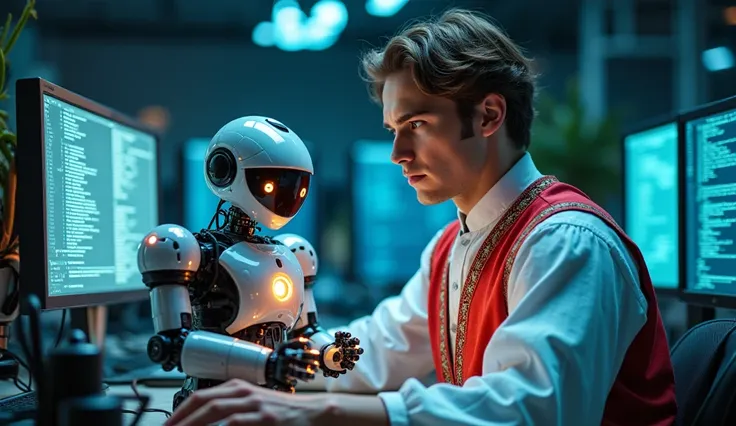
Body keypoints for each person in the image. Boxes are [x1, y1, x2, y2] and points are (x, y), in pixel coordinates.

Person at [164, 8, 677, 426]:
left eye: (416, 124)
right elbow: (375, 351)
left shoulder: (566, 242)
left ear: (489, 115)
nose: (397, 153)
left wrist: (312, 410)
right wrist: (254, 361)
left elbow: (529, 411)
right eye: (393, 129)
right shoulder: (455, 244)